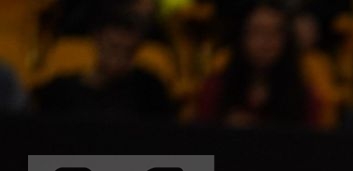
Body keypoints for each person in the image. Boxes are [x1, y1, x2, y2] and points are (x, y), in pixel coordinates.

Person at [31, 3, 174, 120]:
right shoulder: (60, 92)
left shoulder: (149, 90)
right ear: (97, 39)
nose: (118, 58)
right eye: (113, 48)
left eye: (128, 52)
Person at [193, 0, 323, 127]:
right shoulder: (216, 89)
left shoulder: (303, 96)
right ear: (241, 37)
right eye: (257, 32)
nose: (265, 42)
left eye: (274, 33)